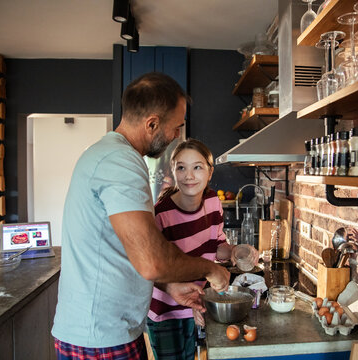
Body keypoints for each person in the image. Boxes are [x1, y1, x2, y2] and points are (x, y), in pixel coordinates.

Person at [51, 72, 230, 360]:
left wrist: (169, 284)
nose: (175, 137)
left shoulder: (109, 155)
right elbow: (151, 260)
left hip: (106, 331)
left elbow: (126, 248)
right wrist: (209, 270)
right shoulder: (120, 163)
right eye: (176, 127)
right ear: (152, 124)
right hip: (101, 336)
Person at [146, 139, 232, 359]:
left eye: (197, 167)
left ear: (210, 172)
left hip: (198, 303)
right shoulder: (161, 214)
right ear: (173, 171)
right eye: (181, 167)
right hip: (165, 311)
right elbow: (150, 269)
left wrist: (235, 252)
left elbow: (217, 245)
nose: (189, 176)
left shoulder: (213, 201)